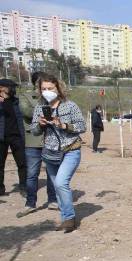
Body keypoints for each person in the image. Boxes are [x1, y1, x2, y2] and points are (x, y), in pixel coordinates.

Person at [31, 73, 86, 233]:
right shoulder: (39, 107)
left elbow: (82, 126)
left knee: (61, 182)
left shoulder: (70, 105)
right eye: (44, 88)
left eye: (50, 88)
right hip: (50, 153)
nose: (47, 91)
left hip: (71, 150)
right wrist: (40, 125)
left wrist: (63, 125)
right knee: (57, 186)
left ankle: (69, 218)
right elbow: (34, 131)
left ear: (58, 88)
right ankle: (65, 218)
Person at [16, 72, 57, 217]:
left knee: (51, 173)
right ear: (37, 83)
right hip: (33, 141)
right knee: (32, 174)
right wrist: (46, 112)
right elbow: (26, 112)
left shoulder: (53, 97)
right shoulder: (25, 96)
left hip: (51, 139)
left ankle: (53, 200)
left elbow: (60, 112)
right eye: (42, 82)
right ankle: (30, 203)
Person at [0, 78, 27, 197]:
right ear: (2, 88)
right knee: (1, 164)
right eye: (11, 87)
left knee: (22, 163)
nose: (13, 89)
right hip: (1, 138)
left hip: (16, 136)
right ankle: (1, 189)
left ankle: (23, 187)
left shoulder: (16, 101)